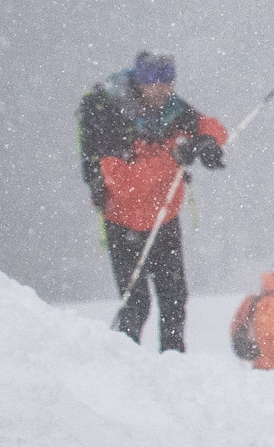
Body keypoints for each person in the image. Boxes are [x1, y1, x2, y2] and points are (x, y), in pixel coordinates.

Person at [78, 51, 227, 352]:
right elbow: (122, 184)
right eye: (155, 82)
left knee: (175, 299)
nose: (164, 89)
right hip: (123, 223)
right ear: (139, 82)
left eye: (169, 81)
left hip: (164, 219)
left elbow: (207, 124)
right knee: (136, 305)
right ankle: (124, 367)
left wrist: (209, 141)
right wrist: (172, 160)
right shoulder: (111, 116)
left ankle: (174, 369)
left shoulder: (171, 109)